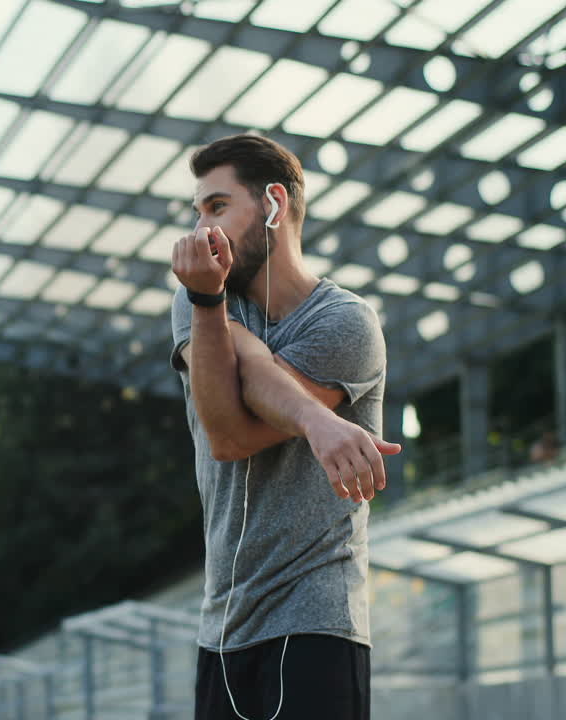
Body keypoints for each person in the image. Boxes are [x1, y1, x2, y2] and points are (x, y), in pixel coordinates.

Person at [169, 134, 402, 720]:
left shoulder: (346, 323)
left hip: (316, 617)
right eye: (197, 212)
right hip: (222, 627)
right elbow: (229, 417)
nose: (201, 229)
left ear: (274, 202)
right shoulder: (200, 298)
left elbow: (238, 433)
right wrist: (319, 421)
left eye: (217, 207)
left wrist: (212, 314)